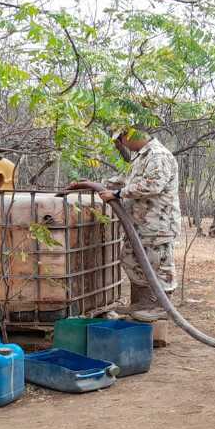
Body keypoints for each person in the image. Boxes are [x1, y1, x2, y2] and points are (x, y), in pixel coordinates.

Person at [62, 128, 181, 322]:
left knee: (158, 264)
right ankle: (145, 302)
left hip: (158, 223)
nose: (122, 145)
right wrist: (94, 183)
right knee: (130, 259)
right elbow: (126, 180)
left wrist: (117, 194)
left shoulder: (158, 155)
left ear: (130, 134)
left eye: (121, 140)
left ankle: (162, 307)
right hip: (140, 224)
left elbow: (153, 185)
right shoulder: (141, 157)